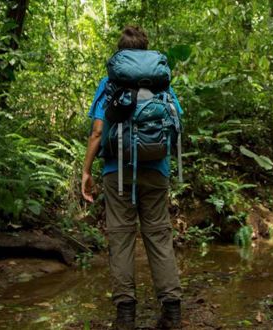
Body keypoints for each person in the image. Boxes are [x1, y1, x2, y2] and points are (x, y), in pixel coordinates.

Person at [81, 25, 182, 330]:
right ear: (147, 49)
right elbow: (176, 123)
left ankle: (126, 315)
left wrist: (86, 171)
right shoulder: (162, 84)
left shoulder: (110, 82)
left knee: (122, 239)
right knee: (159, 236)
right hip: (157, 170)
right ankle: (172, 311)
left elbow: (98, 131)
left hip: (117, 172)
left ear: (120, 52)